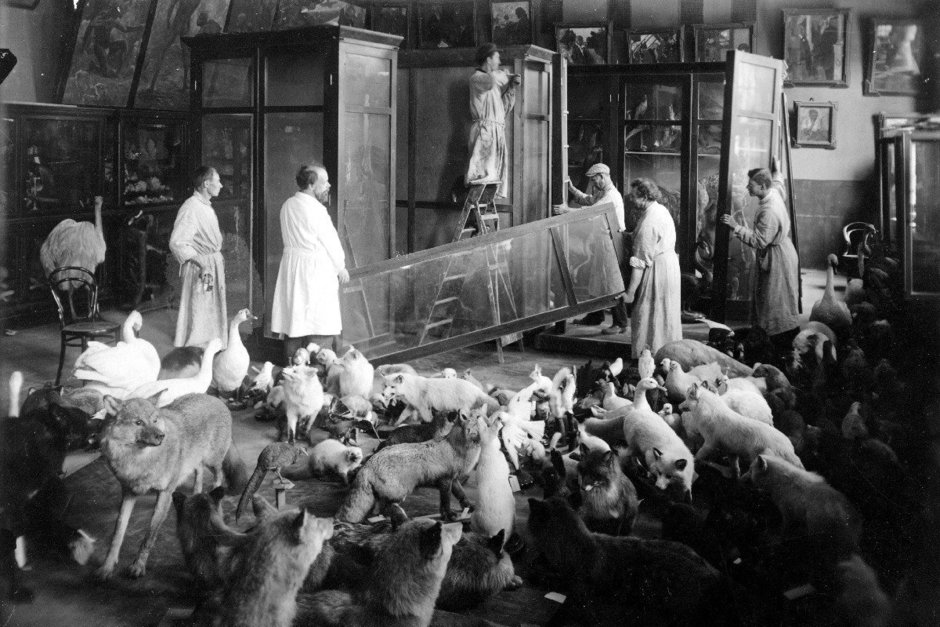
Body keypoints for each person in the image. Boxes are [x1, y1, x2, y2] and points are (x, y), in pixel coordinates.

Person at [270, 163, 349, 362]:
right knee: (319, 321)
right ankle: (319, 368)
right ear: (312, 185)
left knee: (295, 320)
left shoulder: (288, 205)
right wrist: (340, 267)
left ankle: (292, 367)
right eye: (325, 182)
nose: (329, 185)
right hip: (315, 270)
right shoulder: (316, 210)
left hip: (293, 268)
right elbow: (331, 241)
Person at [720, 161, 801, 353]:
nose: (747, 187)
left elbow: (759, 241)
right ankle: (779, 332)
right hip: (783, 250)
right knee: (779, 296)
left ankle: (775, 338)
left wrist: (735, 226)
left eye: (751, 185)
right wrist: (777, 169)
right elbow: (779, 183)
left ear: (763, 187)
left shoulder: (769, 210)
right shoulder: (774, 192)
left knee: (773, 298)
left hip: (777, 258)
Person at [557, 162, 628, 334]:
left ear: (602, 177)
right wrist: (572, 189)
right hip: (602, 241)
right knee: (597, 280)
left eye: (594, 180)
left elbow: (590, 212)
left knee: (612, 282)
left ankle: (621, 323)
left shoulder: (611, 196)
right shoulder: (603, 193)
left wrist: (566, 211)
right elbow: (588, 200)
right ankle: (595, 316)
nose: (593, 183)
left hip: (610, 241)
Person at [621, 178, 682, 358]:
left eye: (634, 196)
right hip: (668, 265)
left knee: (647, 312)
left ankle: (651, 355)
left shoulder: (650, 221)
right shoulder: (659, 209)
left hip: (658, 270)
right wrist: (628, 236)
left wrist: (630, 293)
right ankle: (666, 353)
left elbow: (640, 262)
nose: (631, 199)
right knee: (664, 313)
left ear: (645, 197)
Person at [169, 166, 227, 347]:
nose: (221, 185)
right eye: (218, 181)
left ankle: (211, 344)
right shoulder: (191, 207)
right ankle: (197, 348)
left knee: (210, 305)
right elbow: (177, 242)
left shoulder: (204, 206)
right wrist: (201, 262)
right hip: (200, 267)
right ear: (206, 184)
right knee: (200, 305)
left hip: (211, 264)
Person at [466, 43, 520, 198]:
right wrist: (506, 75)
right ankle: (472, 208)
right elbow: (491, 82)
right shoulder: (477, 78)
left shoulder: (492, 81)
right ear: (488, 59)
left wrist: (511, 87)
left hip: (495, 131)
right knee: (482, 176)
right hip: (484, 132)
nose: (499, 61)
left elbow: (503, 110)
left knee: (493, 179)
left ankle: (483, 208)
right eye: (497, 57)